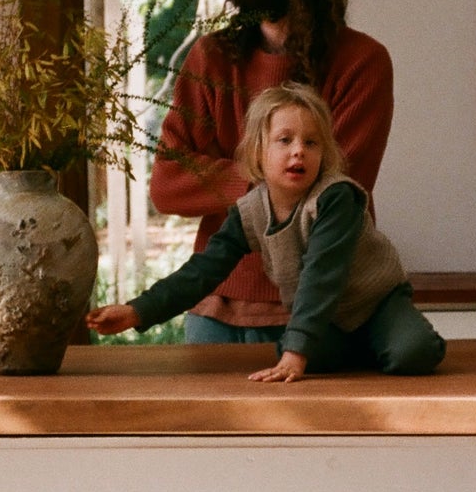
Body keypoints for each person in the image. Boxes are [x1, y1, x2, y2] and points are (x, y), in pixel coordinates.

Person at [150, 0, 393, 344]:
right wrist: (268, 177)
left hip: (321, 312)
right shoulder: (211, 57)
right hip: (215, 308)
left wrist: (229, 180)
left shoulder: (363, 62)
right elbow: (167, 185)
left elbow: (337, 193)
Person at [91, 84, 444, 382]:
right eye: (284, 140)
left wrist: (297, 351)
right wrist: (137, 311)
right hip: (330, 317)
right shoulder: (251, 209)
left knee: (414, 353)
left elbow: (322, 275)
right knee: (294, 350)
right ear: (258, 151)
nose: (298, 151)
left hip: (376, 303)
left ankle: (382, 336)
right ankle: (360, 345)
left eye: (311, 143)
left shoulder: (337, 197)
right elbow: (203, 270)